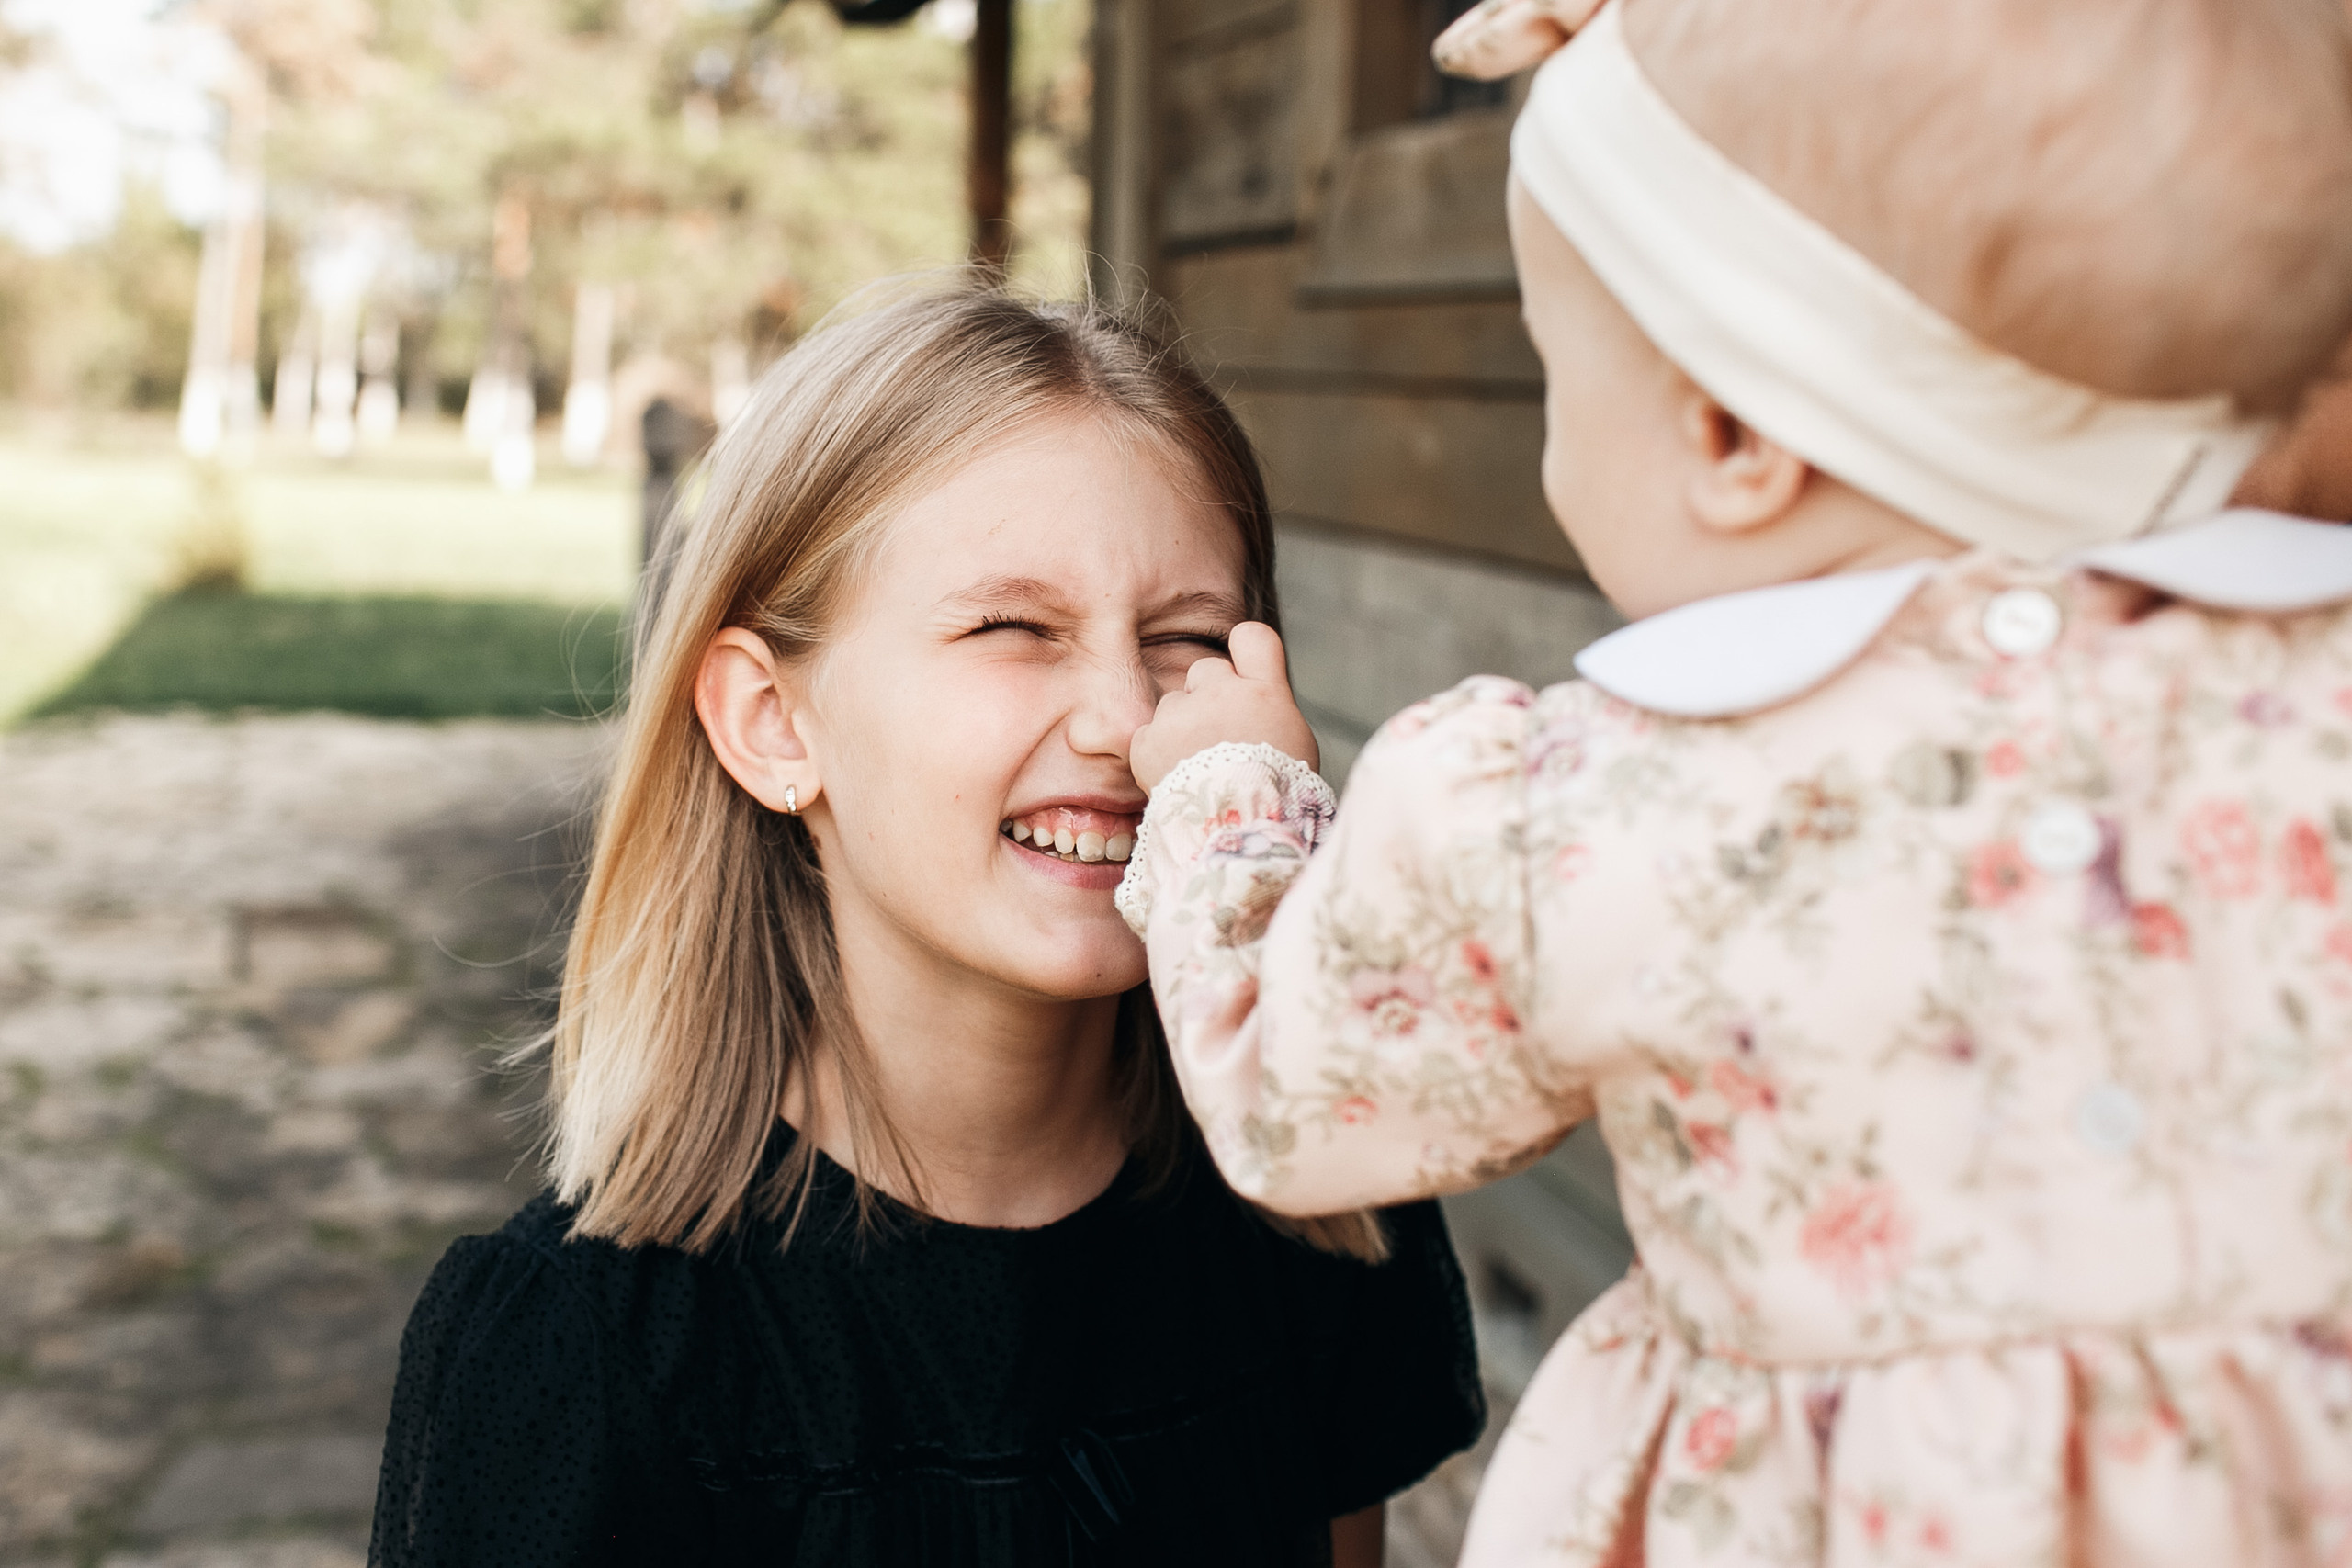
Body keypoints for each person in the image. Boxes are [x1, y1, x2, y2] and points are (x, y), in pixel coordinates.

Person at [1112, 0, 2352, 1562]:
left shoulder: (1566, 815)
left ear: (1731, 434)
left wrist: (1232, 784)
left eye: (1560, 379)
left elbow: (1296, 1104)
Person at [368, 289, 1484, 1568]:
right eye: (1013, 629)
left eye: (1185, 639)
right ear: (772, 721)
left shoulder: (1318, 1212)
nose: (1125, 720)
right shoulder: (573, 1364)